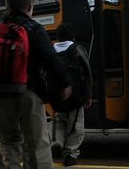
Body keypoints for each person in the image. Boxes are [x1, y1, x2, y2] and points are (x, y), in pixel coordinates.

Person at [0, 0, 71, 169]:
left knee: (8, 139)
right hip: (30, 91)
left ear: (8, 5)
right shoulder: (34, 28)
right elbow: (50, 59)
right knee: (36, 142)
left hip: (3, 95)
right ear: (29, 6)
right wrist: (64, 84)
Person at [50, 23, 92, 167]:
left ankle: (57, 142)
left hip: (58, 98)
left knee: (60, 121)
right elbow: (87, 74)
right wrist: (87, 95)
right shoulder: (77, 50)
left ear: (57, 37)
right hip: (76, 97)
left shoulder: (51, 51)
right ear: (72, 37)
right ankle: (71, 154)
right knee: (75, 125)